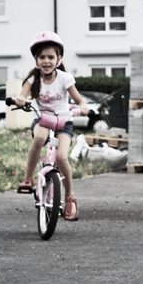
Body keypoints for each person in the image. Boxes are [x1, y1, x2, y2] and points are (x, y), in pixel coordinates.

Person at [13, 31, 88, 221]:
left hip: (63, 122)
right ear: (36, 60)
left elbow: (79, 100)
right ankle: (28, 179)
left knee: (61, 157)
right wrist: (20, 99)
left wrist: (82, 106)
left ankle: (69, 196)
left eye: (51, 57)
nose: (46, 61)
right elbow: (22, 94)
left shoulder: (65, 78)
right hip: (43, 120)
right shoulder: (33, 79)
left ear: (58, 59)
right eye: (42, 57)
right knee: (39, 138)